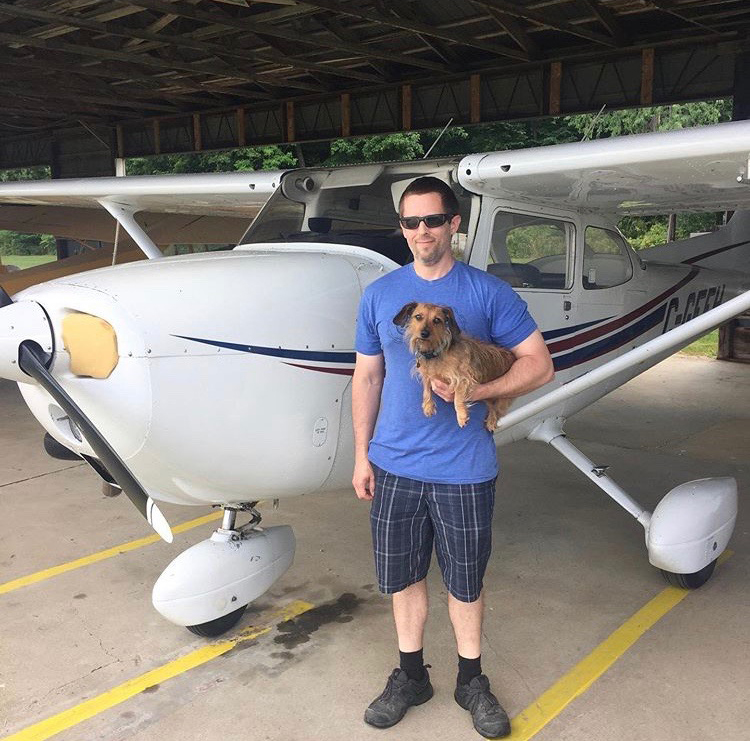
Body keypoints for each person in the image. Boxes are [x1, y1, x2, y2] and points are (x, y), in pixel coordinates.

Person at [352, 176, 554, 738]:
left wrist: (478, 392)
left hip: (464, 469)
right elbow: (367, 376)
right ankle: (411, 676)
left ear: (454, 224)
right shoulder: (381, 295)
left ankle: (472, 680)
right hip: (394, 464)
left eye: (432, 221)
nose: (422, 232)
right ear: (402, 229)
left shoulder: (489, 293)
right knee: (403, 578)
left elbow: (538, 364)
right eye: (411, 222)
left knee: (464, 581)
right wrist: (361, 456)